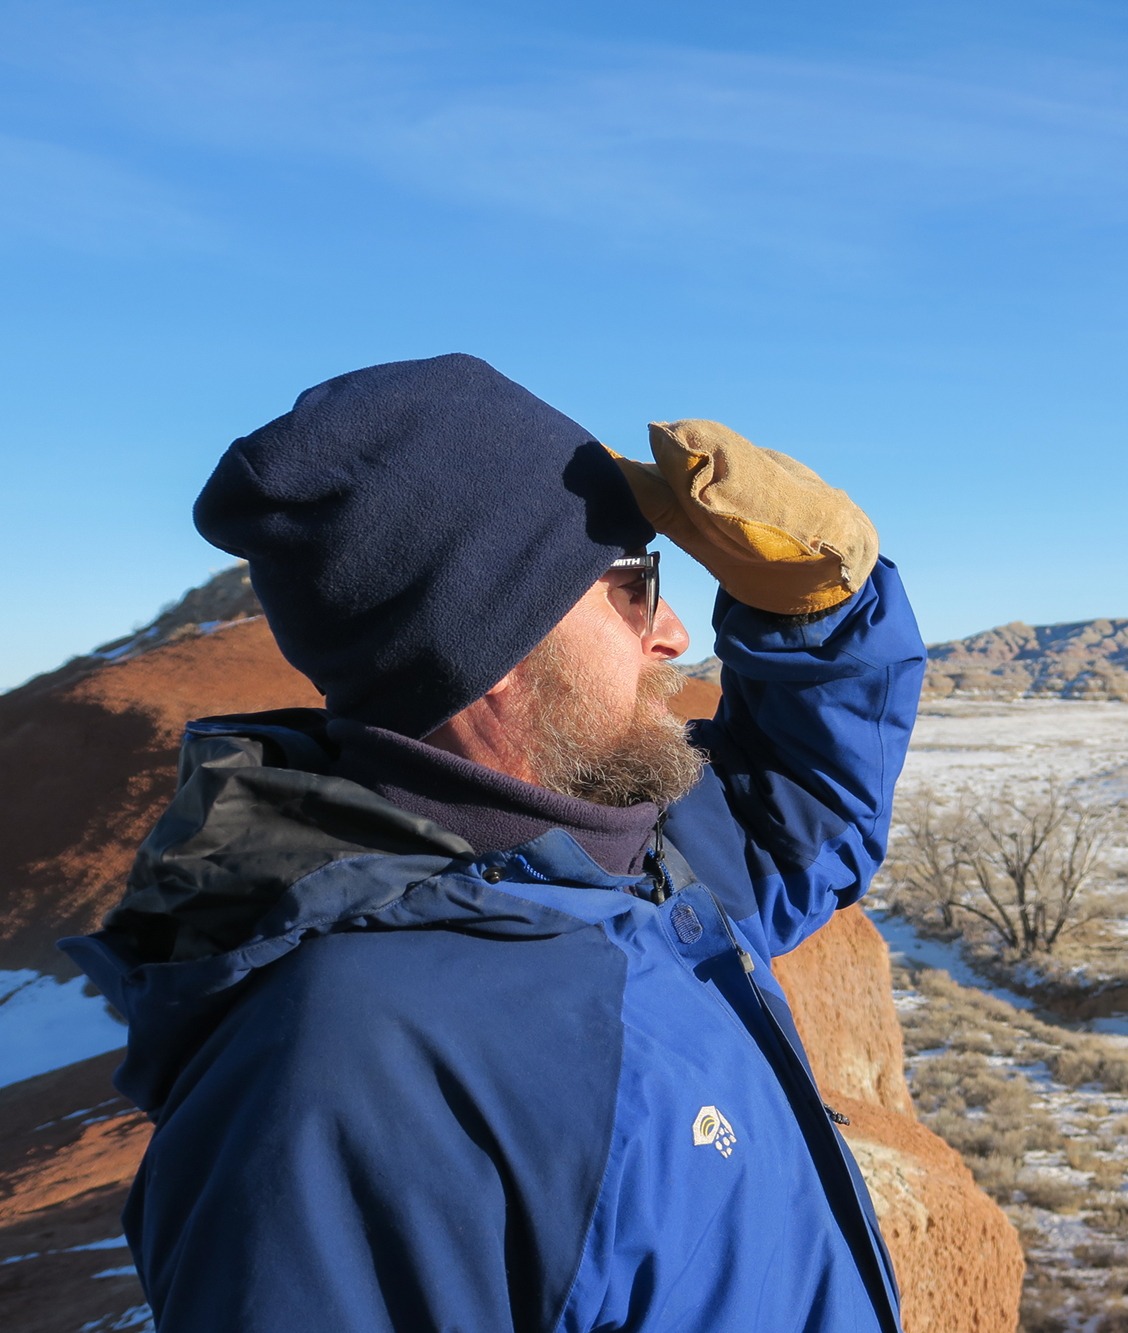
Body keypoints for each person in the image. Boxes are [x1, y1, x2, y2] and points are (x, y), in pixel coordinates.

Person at [61, 353, 924, 1332]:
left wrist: (820, 616)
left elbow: (801, 826)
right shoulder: (347, 1075)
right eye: (635, 585)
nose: (675, 631)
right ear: (497, 649)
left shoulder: (622, 867)